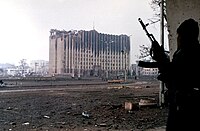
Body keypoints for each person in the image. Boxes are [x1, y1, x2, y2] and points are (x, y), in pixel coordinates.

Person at [152, 18, 200, 130]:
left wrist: (161, 59)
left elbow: (175, 75)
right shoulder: (192, 51)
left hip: (185, 104)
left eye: (179, 36)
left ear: (184, 37)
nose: (178, 39)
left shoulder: (185, 54)